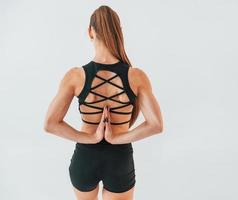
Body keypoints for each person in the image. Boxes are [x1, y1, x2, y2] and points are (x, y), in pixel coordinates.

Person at [43, 5, 163, 200]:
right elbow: (156, 125)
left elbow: (50, 123)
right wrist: (116, 139)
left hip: (85, 157)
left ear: (90, 32)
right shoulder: (136, 76)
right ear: (119, 32)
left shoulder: (76, 76)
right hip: (120, 159)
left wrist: (91, 138)